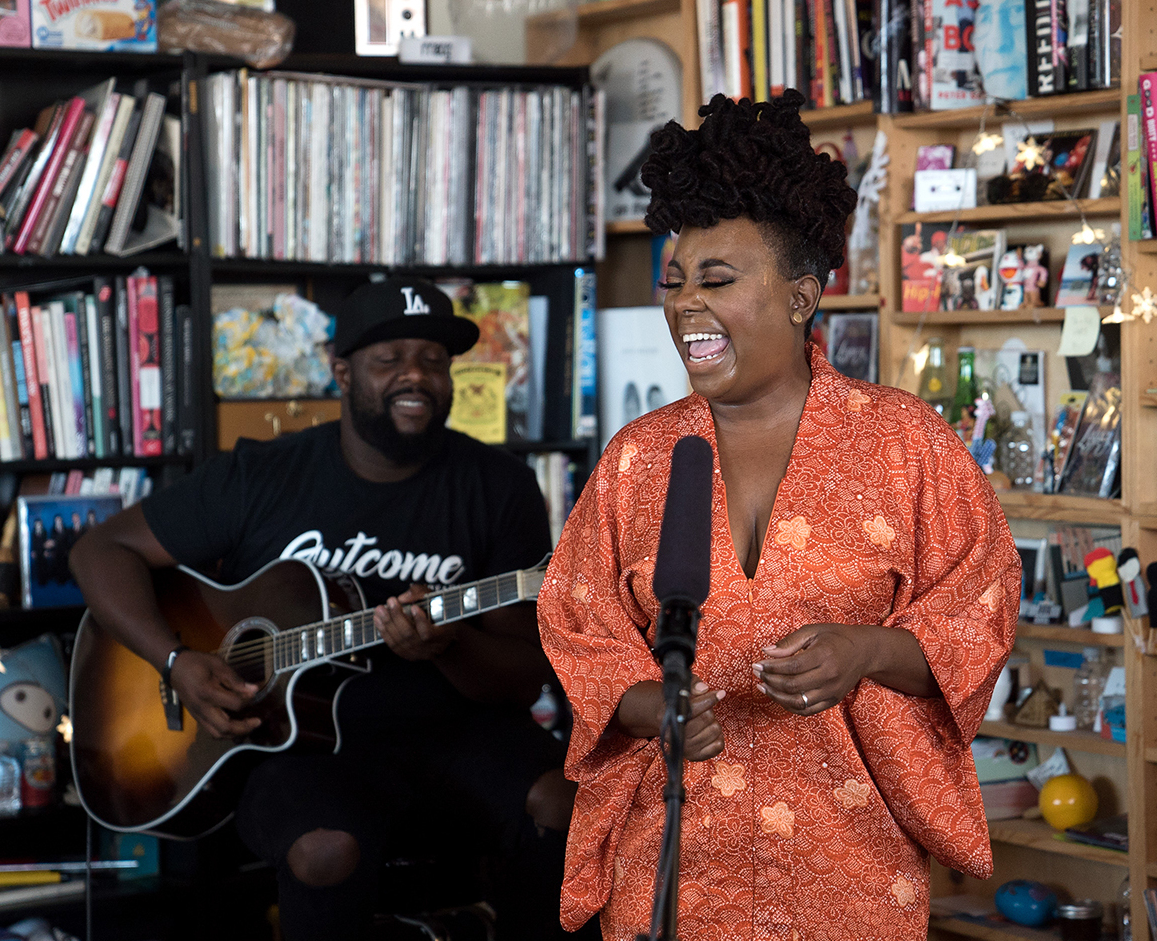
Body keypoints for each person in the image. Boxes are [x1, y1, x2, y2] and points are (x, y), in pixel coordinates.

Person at [536, 92, 1021, 940]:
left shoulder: (905, 443)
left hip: (850, 867)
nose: (686, 304)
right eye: (674, 282)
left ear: (801, 297)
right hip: (675, 862)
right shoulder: (637, 458)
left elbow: (976, 615)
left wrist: (865, 649)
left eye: (717, 281)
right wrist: (654, 706)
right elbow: (579, 626)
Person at [70, 276, 580, 941]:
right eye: (389, 358)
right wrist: (175, 660)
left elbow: (521, 676)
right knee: (323, 849)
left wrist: (449, 645)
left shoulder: (500, 486)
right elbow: (100, 550)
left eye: (433, 359)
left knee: (567, 806)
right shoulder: (261, 475)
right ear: (341, 372)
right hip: (300, 753)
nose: (416, 375)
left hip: (457, 735)